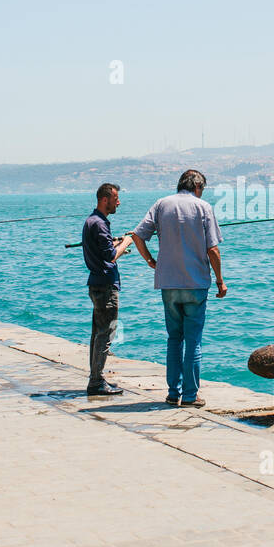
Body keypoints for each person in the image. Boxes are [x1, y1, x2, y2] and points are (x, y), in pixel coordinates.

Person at [129, 169, 227, 408]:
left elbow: (137, 235)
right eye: (202, 188)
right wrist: (220, 281)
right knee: (193, 340)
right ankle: (191, 396)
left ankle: (174, 392)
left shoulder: (161, 204)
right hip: (195, 284)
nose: (202, 192)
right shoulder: (203, 207)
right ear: (197, 186)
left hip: (168, 283)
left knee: (174, 338)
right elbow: (212, 250)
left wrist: (151, 261)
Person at [81, 183, 138, 397]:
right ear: (105, 199)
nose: (118, 202)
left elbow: (103, 248)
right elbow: (110, 256)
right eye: (115, 198)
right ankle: (96, 381)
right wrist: (128, 241)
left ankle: (96, 378)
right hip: (105, 286)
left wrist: (116, 242)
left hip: (96, 283)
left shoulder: (92, 221)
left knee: (97, 333)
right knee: (105, 335)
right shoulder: (100, 223)